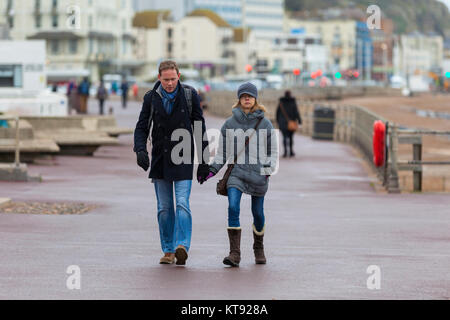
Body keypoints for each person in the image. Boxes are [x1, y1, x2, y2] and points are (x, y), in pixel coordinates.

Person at [133, 60, 210, 266]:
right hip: (160, 158)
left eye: (173, 79)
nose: (169, 83)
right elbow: (141, 127)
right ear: (159, 78)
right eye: (166, 79)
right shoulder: (151, 98)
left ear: (179, 76)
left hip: (183, 156)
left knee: (182, 204)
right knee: (164, 208)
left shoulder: (189, 95)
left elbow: (199, 128)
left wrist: (203, 161)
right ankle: (168, 250)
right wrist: (140, 149)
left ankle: (182, 246)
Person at [198, 82, 278, 267]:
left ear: (255, 99)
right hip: (237, 174)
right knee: (233, 207)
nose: (247, 99)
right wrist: (211, 171)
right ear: (239, 99)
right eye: (243, 96)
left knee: (257, 214)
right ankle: (234, 253)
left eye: (250, 96)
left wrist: (267, 172)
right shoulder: (229, 123)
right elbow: (222, 153)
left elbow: (272, 151)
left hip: (258, 175)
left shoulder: (265, 123)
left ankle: (259, 247)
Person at [276, 90, 302, 157]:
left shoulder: (281, 102)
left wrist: (278, 121)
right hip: (291, 122)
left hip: (282, 123)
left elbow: (277, 113)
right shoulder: (292, 102)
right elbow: (296, 112)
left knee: (284, 137)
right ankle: (291, 151)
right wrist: (299, 121)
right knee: (291, 137)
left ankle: (285, 152)